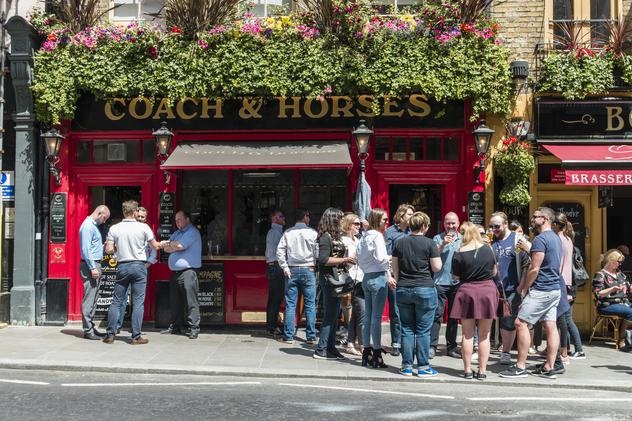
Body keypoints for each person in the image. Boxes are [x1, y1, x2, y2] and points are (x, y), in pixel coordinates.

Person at [499, 207, 563, 379]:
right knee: (550, 325)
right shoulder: (556, 238)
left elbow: (534, 268)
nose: (532, 219)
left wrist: (525, 289)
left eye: (536, 217)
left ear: (546, 219)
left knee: (520, 323)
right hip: (554, 289)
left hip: (541, 289)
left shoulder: (540, 239)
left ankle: (520, 366)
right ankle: (549, 367)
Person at [103, 200, 162, 345]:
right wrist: (166, 244)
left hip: (122, 266)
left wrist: (118, 248)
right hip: (139, 266)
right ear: (135, 212)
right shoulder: (144, 228)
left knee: (116, 301)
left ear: (124, 212)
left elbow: (108, 250)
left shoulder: (114, 228)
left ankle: (110, 335)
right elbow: (155, 246)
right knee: (138, 303)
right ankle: (136, 336)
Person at [391, 211, 442, 378]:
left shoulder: (399, 242)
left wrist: (400, 282)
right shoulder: (429, 243)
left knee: (406, 328)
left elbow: (395, 268)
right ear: (424, 226)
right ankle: (423, 366)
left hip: (404, 288)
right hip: (425, 289)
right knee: (422, 330)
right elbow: (437, 267)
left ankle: (406, 366)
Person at [450, 222, 498, 380]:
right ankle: (482, 371)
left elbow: (455, 276)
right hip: (487, 291)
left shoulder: (459, 252)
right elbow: (494, 271)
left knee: (467, 334)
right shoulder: (488, 249)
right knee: (485, 335)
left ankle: (467, 370)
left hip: (467, 292)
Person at [314, 208, 356, 360]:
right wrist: (345, 260)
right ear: (333, 219)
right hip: (329, 280)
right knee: (330, 315)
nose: (343, 219)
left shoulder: (335, 236)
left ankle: (331, 348)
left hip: (338, 279)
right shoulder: (325, 237)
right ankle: (321, 349)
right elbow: (324, 260)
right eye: (340, 217)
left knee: (334, 315)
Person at [489, 212, 529, 366]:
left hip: (511, 288)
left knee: (508, 321)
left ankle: (505, 352)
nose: (494, 229)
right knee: (488, 319)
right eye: (491, 226)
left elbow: (526, 264)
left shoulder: (516, 240)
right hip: (491, 288)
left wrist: (521, 287)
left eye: (497, 226)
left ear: (505, 224)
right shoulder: (490, 240)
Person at [276, 208, 319, 345]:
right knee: (310, 304)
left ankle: (288, 336)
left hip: (292, 270)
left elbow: (279, 251)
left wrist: (285, 267)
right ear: (305, 217)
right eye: (308, 216)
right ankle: (311, 336)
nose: (309, 218)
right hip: (308, 269)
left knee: (290, 304)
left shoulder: (288, 233)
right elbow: (317, 253)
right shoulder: (313, 233)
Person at [357, 208, 391, 368]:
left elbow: (360, 258)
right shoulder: (377, 236)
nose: (386, 222)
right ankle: (377, 353)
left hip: (367, 277)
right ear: (377, 220)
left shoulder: (364, 237)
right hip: (378, 276)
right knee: (376, 319)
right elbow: (381, 258)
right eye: (384, 220)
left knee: (368, 318)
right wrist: (391, 260)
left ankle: (366, 351)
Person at [160, 211, 203, 339]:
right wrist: (173, 245)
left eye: (180, 219)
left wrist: (172, 245)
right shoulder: (177, 233)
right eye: (176, 220)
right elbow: (166, 248)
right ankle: (176, 326)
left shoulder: (192, 232)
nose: (177, 222)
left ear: (187, 219)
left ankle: (194, 327)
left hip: (189, 271)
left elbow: (180, 245)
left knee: (191, 301)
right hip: (175, 272)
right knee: (175, 300)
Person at [115, 206, 157, 334]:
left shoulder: (147, 230)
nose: (140, 219)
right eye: (138, 216)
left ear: (146, 218)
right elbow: (118, 247)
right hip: (126, 265)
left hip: (142, 266)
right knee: (121, 299)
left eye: (142, 217)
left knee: (138, 300)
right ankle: (117, 325)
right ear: (134, 215)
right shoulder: (126, 229)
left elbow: (154, 250)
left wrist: (148, 263)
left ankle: (135, 328)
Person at [552, 212, 585, 362]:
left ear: (555, 224)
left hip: (561, 283)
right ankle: (563, 349)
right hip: (568, 283)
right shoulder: (568, 239)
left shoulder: (558, 239)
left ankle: (566, 352)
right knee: (563, 319)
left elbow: (558, 264)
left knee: (563, 319)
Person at [384, 204, 414, 356]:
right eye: (409, 214)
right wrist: (389, 275)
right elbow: (386, 256)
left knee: (408, 311)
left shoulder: (413, 231)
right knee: (396, 311)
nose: (412, 217)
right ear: (401, 215)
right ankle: (396, 342)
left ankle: (408, 342)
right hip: (395, 275)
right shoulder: (390, 232)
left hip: (410, 276)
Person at [431, 212, 461, 359]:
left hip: (457, 283)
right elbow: (433, 255)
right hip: (440, 282)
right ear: (444, 224)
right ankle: (432, 346)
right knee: (437, 315)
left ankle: (451, 347)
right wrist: (443, 243)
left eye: (453, 223)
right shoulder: (437, 238)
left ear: (458, 224)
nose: (451, 226)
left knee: (454, 317)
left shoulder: (464, 239)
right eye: (448, 223)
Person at [79, 205, 111, 340]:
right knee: (89, 298)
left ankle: (90, 327)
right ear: (99, 213)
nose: (104, 221)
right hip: (90, 265)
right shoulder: (87, 226)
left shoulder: (93, 226)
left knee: (94, 297)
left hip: (95, 263)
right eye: (104, 218)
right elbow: (86, 250)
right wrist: (92, 267)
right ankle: (88, 330)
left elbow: (92, 247)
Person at [592, 248, 632, 352]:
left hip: (623, 302)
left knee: (629, 310)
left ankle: (628, 339)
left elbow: (628, 288)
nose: (620, 264)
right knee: (630, 312)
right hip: (607, 304)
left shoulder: (620, 274)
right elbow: (598, 293)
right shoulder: (600, 275)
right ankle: (621, 340)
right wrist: (612, 289)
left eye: (621, 262)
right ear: (611, 261)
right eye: (618, 262)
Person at [341, 213, 364, 356]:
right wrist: (349, 259)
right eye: (356, 224)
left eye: (359, 224)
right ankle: (362, 345)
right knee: (361, 312)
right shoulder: (343, 240)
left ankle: (350, 343)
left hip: (361, 278)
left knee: (356, 313)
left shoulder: (358, 239)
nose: (358, 226)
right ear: (348, 225)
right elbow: (340, 259)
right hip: (349, 279)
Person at [264, 209, 286, 336]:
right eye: (280, 216)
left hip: (275, 266)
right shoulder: (275, 233)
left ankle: (271, 325)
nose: (283, 218)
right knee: (275, 298)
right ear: (274, 218)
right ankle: (272, 326)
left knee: (275, 298)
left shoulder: (277, 232)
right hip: (276, 266)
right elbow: (277, 252)